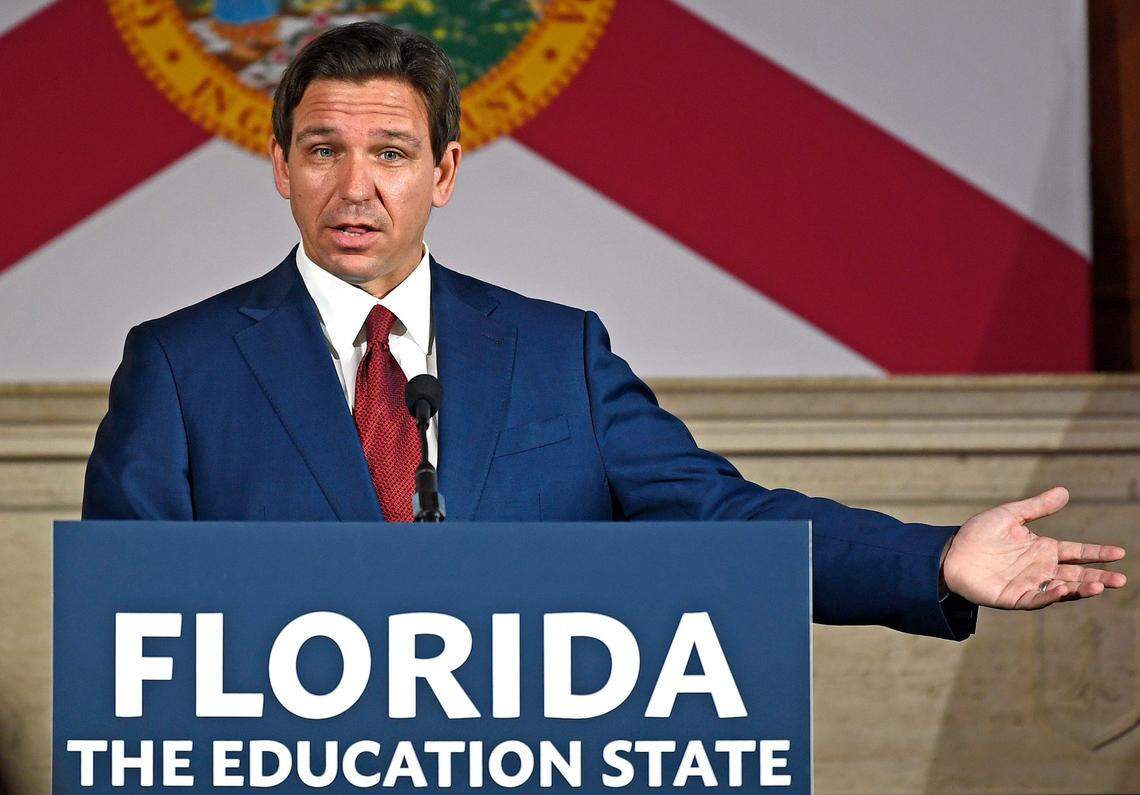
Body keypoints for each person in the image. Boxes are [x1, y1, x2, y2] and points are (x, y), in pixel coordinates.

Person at [82, 22, 1126, 642]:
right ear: (280, 167)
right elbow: (129, 628)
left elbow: (719, 520)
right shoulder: (180, 367)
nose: (355, 187)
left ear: (444, 174)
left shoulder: (557, 355)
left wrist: (934, 559)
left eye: (392, 152)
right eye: (322, 150)